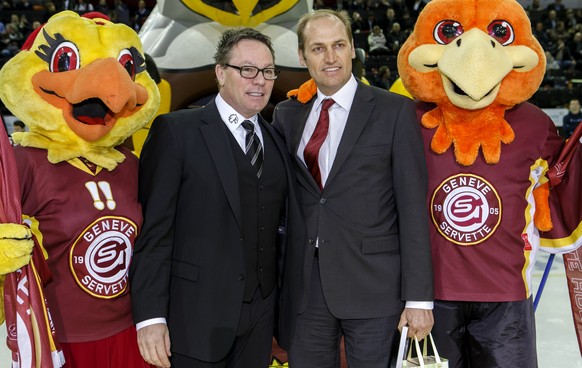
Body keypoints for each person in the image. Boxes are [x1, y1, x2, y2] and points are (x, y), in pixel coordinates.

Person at [129, 27, 303, 368]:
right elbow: (154, 233)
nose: (260, 80)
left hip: (260, 316)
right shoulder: (176, 132)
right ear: (220, 72)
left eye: (268, 71)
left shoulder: (277, 139)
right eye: (247, 69)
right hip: (193, 317)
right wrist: (150, 318)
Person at [273, 9, 434, 367]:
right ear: (302, 56)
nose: (330, 57)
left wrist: (419, 299)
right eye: (317, 49)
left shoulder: (395, 112)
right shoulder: (286, 115)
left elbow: (412, 209)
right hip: (305, 290)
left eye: (338, 45)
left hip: (375, 288)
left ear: (352, 49)